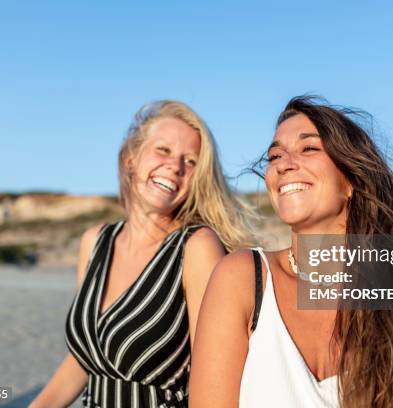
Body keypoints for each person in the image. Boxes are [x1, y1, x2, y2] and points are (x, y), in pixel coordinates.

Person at [189, 95, 393, 407]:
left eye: (309, 148)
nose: (284, 165)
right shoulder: (242, 277)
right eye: (274, 156)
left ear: (351, 179)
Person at [30, 100, 256, 408]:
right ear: (130, 159)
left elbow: (217, 375)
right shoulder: (95, 241)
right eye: (162, 150)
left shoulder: (197, 248)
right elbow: (91, 355)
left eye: (190, 162)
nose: (175, 166)